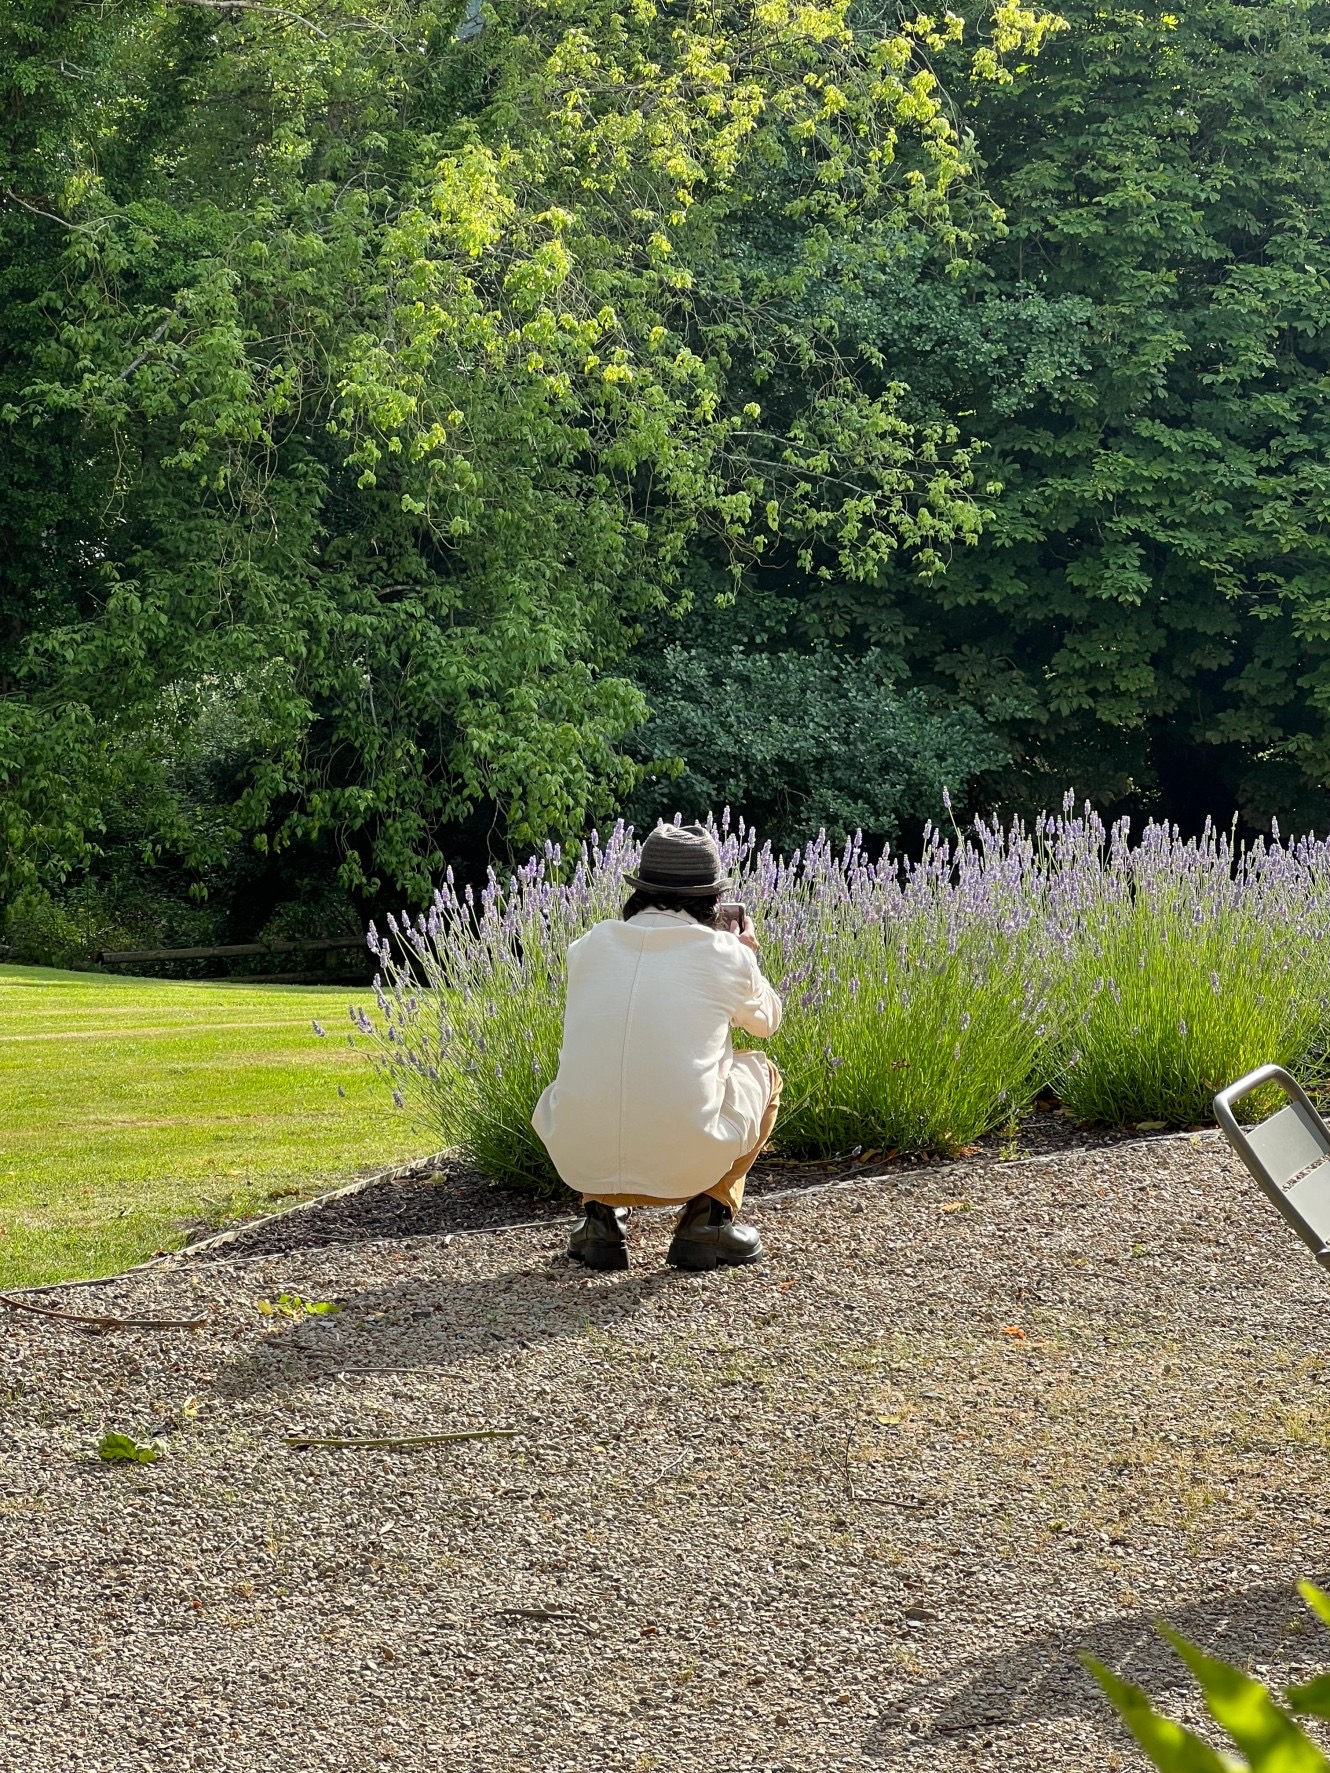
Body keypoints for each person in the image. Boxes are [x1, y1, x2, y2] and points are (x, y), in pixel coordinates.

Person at [531, 821, 783, 1272]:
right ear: (713, 899)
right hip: (686, 1163)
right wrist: (747, 955)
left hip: (580, 1158)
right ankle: (708, 1220)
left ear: (640, 889)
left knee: (599, 1067)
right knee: (763, 1071)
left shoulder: (587, 947)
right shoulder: (724, 953)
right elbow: (766, 1023)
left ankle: (599, 1223)